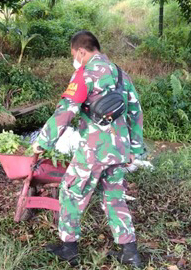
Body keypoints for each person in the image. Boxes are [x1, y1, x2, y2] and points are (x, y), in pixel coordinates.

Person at [32, 30, 145, 268]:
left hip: (94, 150)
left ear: (81, 51)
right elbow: (135, 111)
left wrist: (42, 143)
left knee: (71, 192)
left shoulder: (85, 74)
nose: (75, 59)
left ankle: (69, 249)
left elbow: (66, 112)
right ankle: (130, 253)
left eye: (74, 55)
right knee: (114, 197)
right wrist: (135, 146)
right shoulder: (120, 74)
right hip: (120, 150)